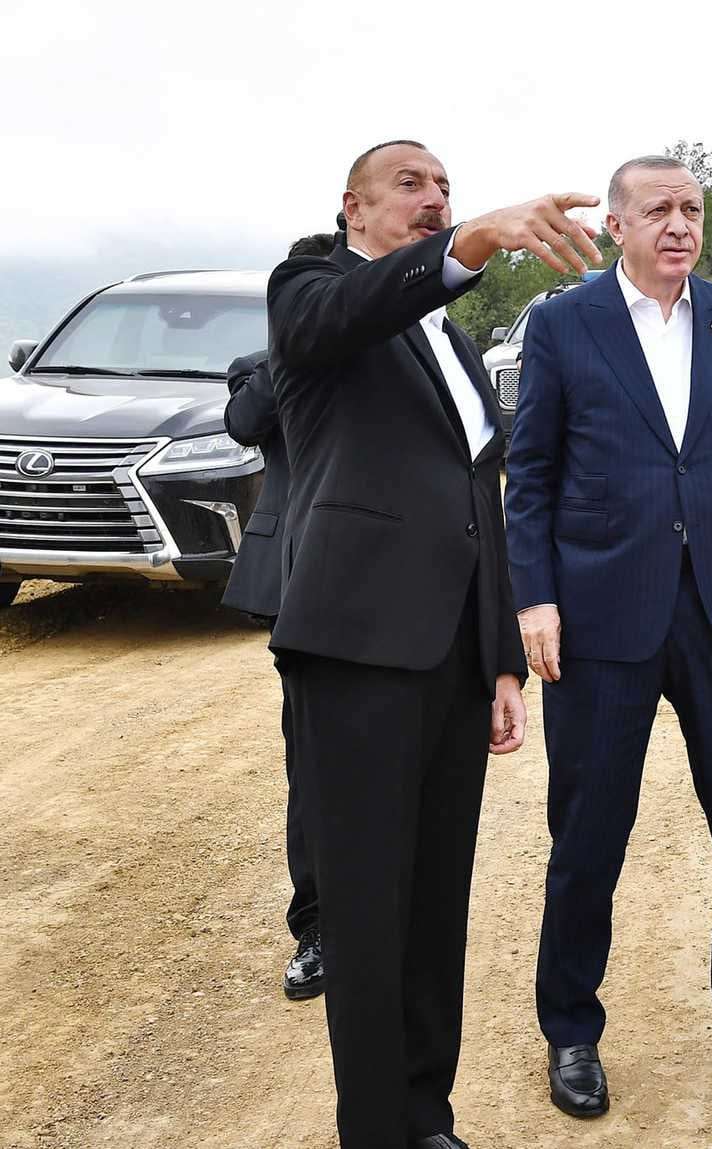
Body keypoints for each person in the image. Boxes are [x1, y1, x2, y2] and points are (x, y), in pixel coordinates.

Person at [268, 140, 573, 1148]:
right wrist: (470, 242)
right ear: (352, 207)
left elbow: (478, 500)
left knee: (435, 907)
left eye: (445, 186)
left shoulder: (449, 337)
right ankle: (374, 1131)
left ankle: (425, 1116)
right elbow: (343, 315)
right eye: (410, 183)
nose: (434, 196)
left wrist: (497, 658)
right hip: (357, 650)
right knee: (365, 916)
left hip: (449, 657)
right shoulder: (310, 289)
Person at [505, 155, 712, 1120]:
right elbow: (531, 471)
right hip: (603, 615)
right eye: (659, 210)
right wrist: (535, 599)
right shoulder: (565, 323)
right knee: (589, 833)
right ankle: (571, 1027)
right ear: (618, 224)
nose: (680, 224)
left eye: (692, 208)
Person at [223, 233, 334, 1005]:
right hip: (298, 584)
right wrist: (292, 343)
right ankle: (316, 927)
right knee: (312, 761)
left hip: (385, 581)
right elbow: (245, 422)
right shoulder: (262, 366)